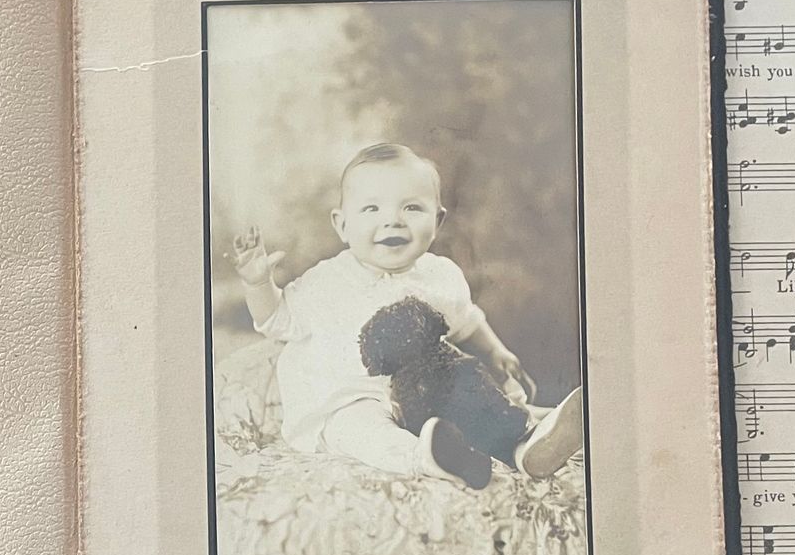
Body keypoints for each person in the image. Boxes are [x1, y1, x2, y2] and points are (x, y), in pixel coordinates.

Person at [228, 143, 582, 489]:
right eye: (371, 209)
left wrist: (496, 352)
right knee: (359, 427)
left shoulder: (440, 275)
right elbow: (276, 319)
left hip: (427, 399)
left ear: (437, 220)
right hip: (349, 399)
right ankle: (427, 457)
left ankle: (527, 445)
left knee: (478, 400)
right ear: (342, 225)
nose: (393, 220)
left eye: (412, 208)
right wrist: (258, 283)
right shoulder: (326, 282)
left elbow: (467, 321)